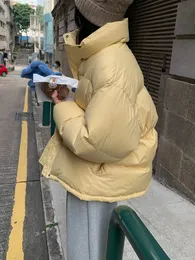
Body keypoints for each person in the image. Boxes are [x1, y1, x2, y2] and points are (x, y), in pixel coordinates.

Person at [40, 0, 158, 259]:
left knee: (88, 252)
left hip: (96, 181)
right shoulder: (103, 55)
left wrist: (62, 107)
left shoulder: (110, 63)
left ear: (83, 14)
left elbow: (96, 141)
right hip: (94, 177)